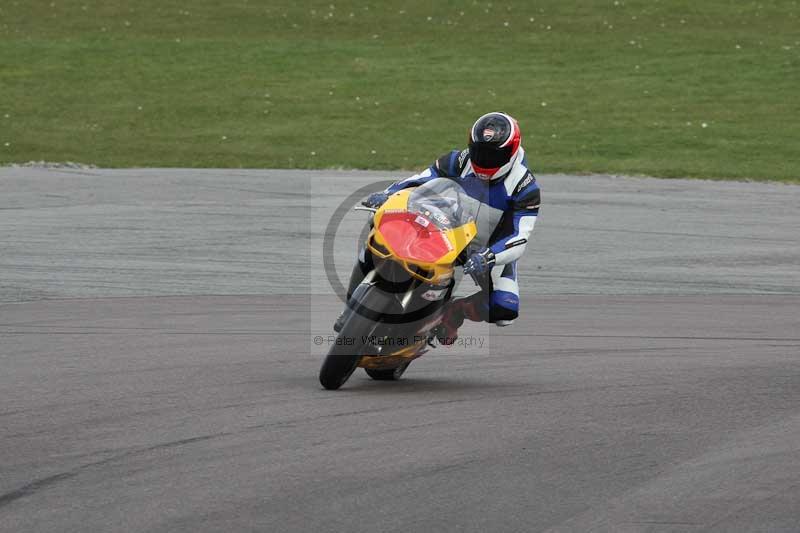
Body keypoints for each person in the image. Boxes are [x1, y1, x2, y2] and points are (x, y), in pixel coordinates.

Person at [337, 111, 541, 344]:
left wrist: (490, 256)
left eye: (494, 155)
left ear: (512, 152)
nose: (484, 160)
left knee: (505, 309)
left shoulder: (524, 188)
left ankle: (453, 313)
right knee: (379, 238)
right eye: (479, 152)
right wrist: (388, 194)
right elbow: (421, 179)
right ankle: (349, 310)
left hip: (486, 249)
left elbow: (519, 236)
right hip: (445, 228)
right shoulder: (460, 160)